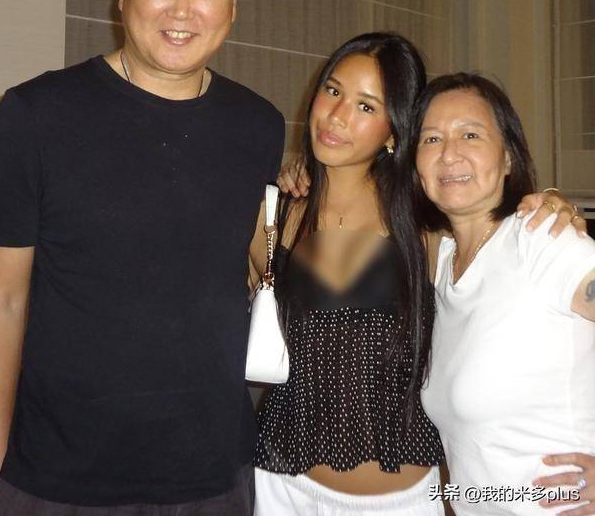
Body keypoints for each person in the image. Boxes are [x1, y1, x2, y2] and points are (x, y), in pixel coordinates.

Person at [0, 0, 283, 515]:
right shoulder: (34, 116)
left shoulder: (259, 125)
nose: (182, 9)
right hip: (56, 483)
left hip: (216, 480)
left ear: (232, 7)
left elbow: (254, 263)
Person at [249, 32, 448, 515]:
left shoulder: (428, 224)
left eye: (365, 106)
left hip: (398, 500)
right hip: (280, 487)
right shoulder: (273, 214)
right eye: (333, 90)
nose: (337, 116)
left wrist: (547, 203)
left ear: (394, 130)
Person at [411, 72, 595, 515]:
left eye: (470, 134)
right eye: (432, 138)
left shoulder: (542, 240)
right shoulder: (443, 265)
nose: (449, 153)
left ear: (509, 156)